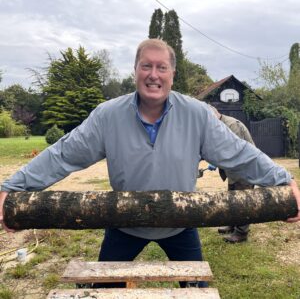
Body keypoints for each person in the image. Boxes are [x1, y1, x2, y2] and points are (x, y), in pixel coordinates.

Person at [1, 39, 300, 289]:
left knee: (198, 292)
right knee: (103, 291)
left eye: (161, 67)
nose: (153, 74)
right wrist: (11, 189)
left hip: (181, 224)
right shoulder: (107, 116)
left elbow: (240, 153)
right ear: (135, 71)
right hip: (124, 224)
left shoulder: (197, 115)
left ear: (172, 73)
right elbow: (62, 154)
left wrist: (284, 181)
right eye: (146, 65)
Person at [210, 106, 255, 243]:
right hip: (233, 170)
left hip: (244, 167)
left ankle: (241, 233)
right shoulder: (217, 125)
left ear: (215, 114)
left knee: (243, 201)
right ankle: (232, 225)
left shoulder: (232, 125)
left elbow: (236, 150)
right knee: (232, 198)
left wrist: (217, 161)